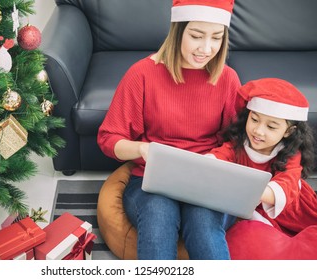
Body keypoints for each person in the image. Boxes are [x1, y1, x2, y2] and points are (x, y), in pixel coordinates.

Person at [98, 0, 241, 259]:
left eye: (216, 38)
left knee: (203, 224)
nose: (206, 49)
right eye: (197, 36)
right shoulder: (141, 74)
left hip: (206, 179)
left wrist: (214, 161)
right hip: (150, 180)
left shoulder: (228, 78)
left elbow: (235, 143)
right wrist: (142, 148)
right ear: (178, 32)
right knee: (157, 217)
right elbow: (108, 138)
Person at [207, 78, 317, 259]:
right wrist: (206, 166)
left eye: (271, 126)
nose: (258, 131)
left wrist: (239, 186)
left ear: (288, 131)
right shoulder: (237, 144)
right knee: (250, 242)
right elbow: (217, 157)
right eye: (254, 120)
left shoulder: (291, 154)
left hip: (291, 210)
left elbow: (285, 185)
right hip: (252, 210)